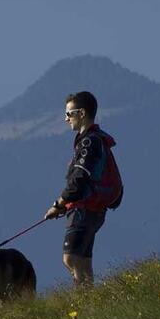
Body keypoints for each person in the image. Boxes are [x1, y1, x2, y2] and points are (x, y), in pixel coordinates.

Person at [45, 90, 120, 287]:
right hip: (95, 209)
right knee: (84, 261)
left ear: (82, 113)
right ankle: (90, 303)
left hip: (83, 209)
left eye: (69, 114)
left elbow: (79, 179)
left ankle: (82, 304)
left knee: (70, 259)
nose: (66, 119)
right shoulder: (97, 139)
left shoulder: (88, 142)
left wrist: (57, 204)